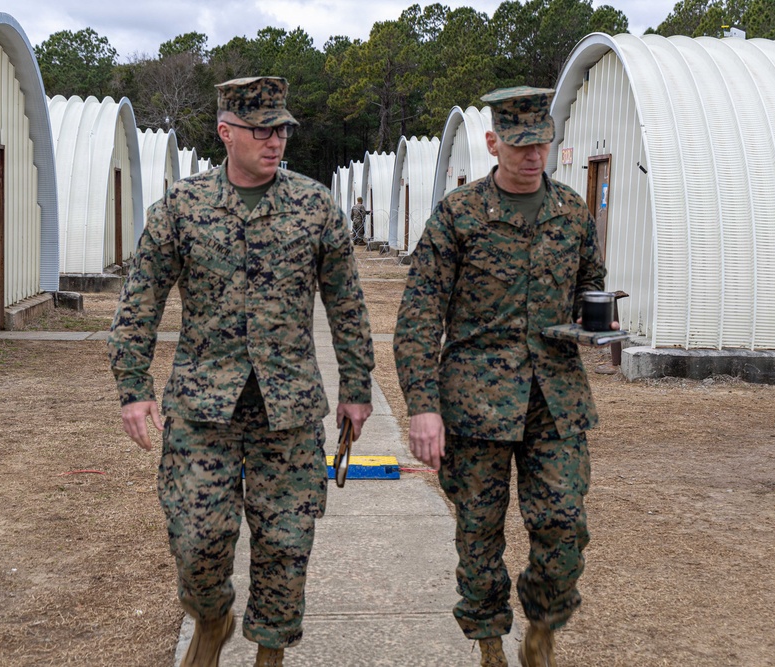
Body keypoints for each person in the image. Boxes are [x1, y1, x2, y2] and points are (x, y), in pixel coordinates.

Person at [107, 76, 374, 667]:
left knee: (286, 543)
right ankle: (211, 616)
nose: (274, 140)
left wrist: (357, 388)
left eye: (280, 129)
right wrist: (133, 388)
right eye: (260, 130)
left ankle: (270, 654)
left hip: (289, 409)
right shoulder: (182, 207)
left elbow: (348, 305)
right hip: (204, 410)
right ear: (227, 133)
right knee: (197, 538)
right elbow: (140, 301)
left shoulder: (314, 207)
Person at [393, 86, 614, 667]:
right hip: (474, 404)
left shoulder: (571, 213)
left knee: (565, 524)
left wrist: (599, 323)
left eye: (540, 143)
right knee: (479, 534)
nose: (531, 155)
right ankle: (490, 644)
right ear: (493, 143)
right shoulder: (459, 216)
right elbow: (418, 318)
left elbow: (592, 287)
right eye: (519, 145)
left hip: (554, 402)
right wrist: (423, 406)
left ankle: (542, 627)